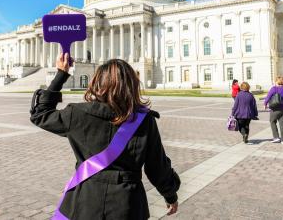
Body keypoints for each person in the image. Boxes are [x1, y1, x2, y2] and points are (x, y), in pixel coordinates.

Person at [30, 54, 180, 219]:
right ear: (132, 85)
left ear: (97, 83)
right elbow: (157, 167)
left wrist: (61, 74)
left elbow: (41, 114)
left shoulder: (77, 114)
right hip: (128, 205)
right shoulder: (144, 121)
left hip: (85, 201)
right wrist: (170, 195)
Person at [264, 76, 283, 145]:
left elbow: (268, 97)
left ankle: (276, 137)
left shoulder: (274, 89)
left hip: (275, 109)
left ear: (276, 81)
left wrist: (265, 104)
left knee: (272, 121)